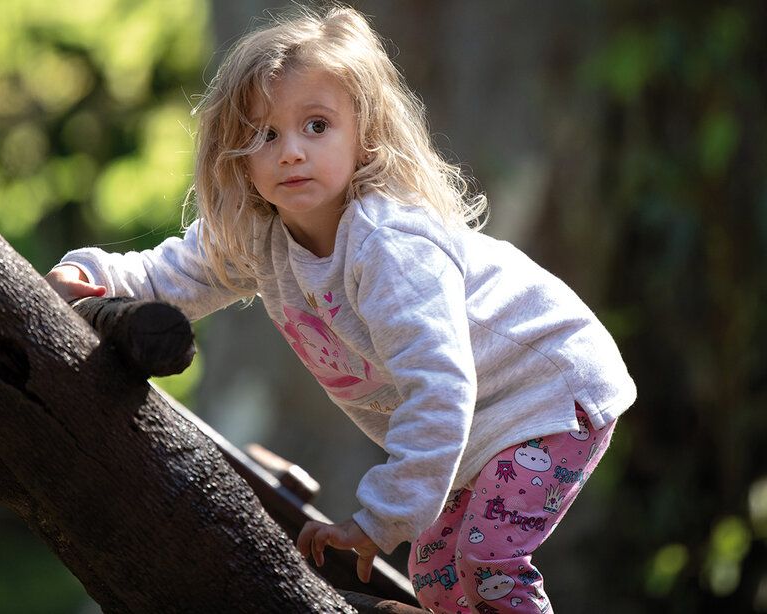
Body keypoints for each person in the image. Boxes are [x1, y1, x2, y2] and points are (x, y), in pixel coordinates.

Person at [45, 5, 635, 613]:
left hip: (551, 392)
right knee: (435, 576)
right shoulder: (260, 237)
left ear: (364, 133)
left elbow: (439, 387)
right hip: (481, 421)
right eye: (265, 135)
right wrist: (88, 275)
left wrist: (377, 520)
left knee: (486, 563)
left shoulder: (387, 248)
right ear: (237, 156)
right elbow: (168, 273)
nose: (291, 152)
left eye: (317, 126)